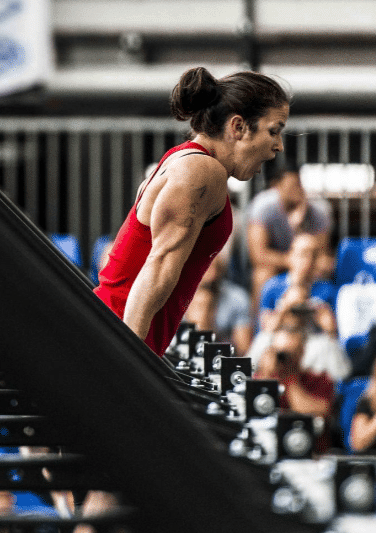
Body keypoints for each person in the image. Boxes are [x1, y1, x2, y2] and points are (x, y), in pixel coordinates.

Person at [95, 66, 289, 355]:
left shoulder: (187, 163)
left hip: (114, 334)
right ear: (237, 127)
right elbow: (157, 267)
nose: (279, 146)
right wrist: (128, 361)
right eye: (273, 131)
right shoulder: (200, 170)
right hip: (112, 340)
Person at [246, 160, 334, 302]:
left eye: (299, 184)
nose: (298, 190)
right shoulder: (263, 207)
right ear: (276, 187)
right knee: (261, 275)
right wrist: (293, 261)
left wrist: (298, 225)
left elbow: (321, 254)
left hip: (308, 265)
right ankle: (258, 323)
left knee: (324, 270)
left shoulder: (318, 210)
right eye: (292, 186)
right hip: (277, 266)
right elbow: (258, 256)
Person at [254, 307, 335, 452]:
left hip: (307, 452)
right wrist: (265, 374)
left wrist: (290, 379)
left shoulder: (319, 379)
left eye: (291, 353)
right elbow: (254, 410)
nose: (284, 359)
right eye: (280, 354)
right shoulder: (263, 377)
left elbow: (317, 412)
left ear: (302, 352)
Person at [183, 243, 253, 356]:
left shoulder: (237, 298)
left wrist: (208, 326)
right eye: (206, 267)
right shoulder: (175, 296)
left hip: (222, 359)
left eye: (216, 267)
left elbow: (243, 350)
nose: (212, 275)